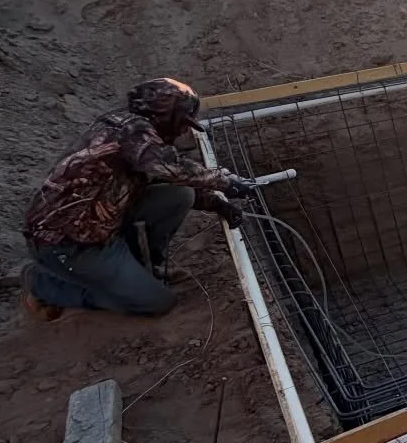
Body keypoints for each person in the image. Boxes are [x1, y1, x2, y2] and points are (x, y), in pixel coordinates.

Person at [21, 78, 256, 322]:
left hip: (103, 224)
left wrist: (217, 204)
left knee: (180, 195)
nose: (184, 131)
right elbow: (169, 166)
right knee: (156, 302)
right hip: (69, 244)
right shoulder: (130, 134)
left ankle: (144, 269)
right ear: (166, 116)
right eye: (183, 123)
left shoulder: (132, 128)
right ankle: (42, 283)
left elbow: (161, 175)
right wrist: (226, 183)